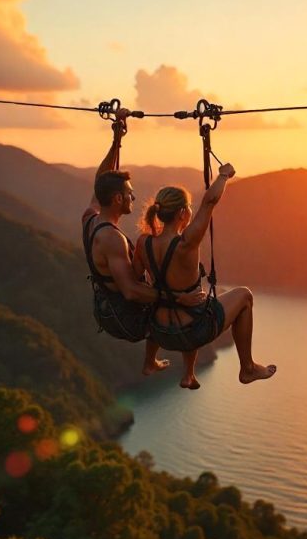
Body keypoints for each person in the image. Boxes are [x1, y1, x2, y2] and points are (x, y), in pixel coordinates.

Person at [82, 109, 204, 376]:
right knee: (173, 299)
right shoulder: (112, 239)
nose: (133, 199)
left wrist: (117, 140)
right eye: (129, 195)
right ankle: (186, 371)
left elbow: (100, 181)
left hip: (103, 307)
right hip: (124, 317)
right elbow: (131, 291)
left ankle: (151, 362)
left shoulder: (90, 218)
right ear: (116, 200)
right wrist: (178, 299)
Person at [135, 163, 276, 390]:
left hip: (160, 331)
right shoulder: (186, 243)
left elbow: (136, 282)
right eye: (189, 207)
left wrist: (171, 296)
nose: (191, 210)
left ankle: (185, 374)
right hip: (193, 331)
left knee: (195, 300)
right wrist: (223, 176)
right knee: (244, 296)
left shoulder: (143, 242)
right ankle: (247, 367)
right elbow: (209, 201)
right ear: (182, 213)